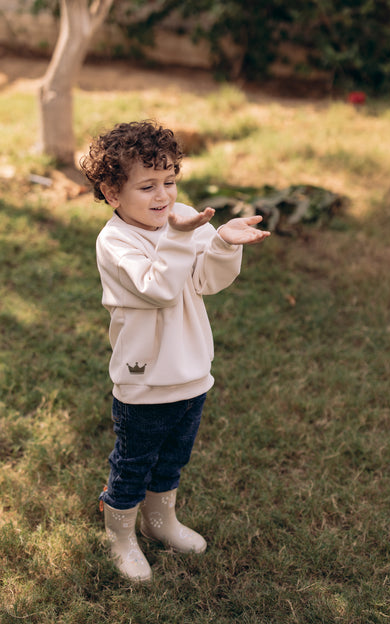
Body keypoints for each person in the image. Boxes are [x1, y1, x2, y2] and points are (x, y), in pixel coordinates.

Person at [80, 120, 270, 582]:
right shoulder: (116, 242)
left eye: (169, 181)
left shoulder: (179, 217)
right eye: (147, 186)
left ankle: (160, 520)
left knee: (173, 457)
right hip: (145, 380)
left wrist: (222, 243)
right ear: (111, 191)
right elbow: (158, 288)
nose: (162, 195)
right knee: (134, 462)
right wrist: (183, 237)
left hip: (190, 371)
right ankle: (120, 536)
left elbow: (204, 280)